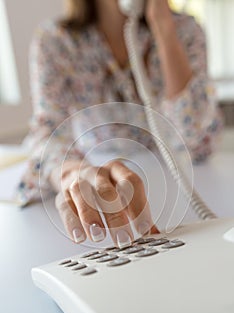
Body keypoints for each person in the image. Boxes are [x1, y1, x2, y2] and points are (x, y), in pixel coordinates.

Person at [17, 0, 222, 248]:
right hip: (103, 181)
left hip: (186, 184)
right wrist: (73, 172)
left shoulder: (186, 30)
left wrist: (165, 30)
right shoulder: (56, 40)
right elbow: (46, 133)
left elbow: (197, 140)